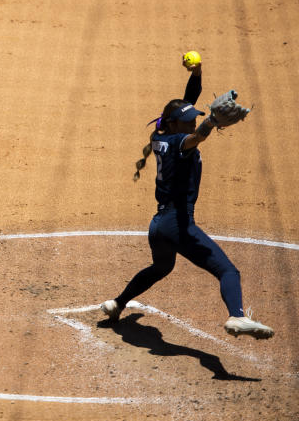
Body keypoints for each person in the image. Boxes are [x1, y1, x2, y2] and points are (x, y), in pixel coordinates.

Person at [100, 56, 274, 339]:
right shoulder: (180, 141)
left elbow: (186, 103)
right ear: (175, 125)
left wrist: (198, 73)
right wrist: (212, 123)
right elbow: (195, 140)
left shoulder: (163, 135)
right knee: (228, 271)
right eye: (189, 121)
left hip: (159, 226)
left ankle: (117, 303)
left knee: (161, 267)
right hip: (179, 225)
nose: (194, 123)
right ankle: (237, 317)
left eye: (196, 120)